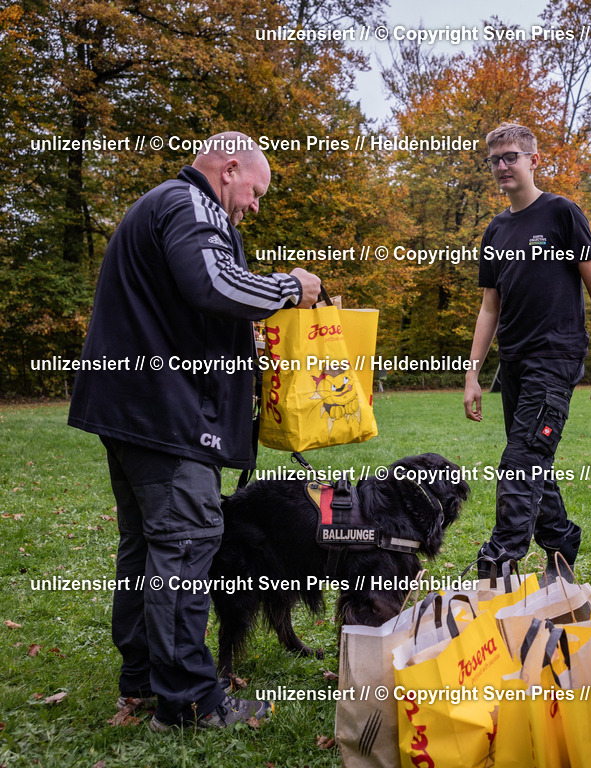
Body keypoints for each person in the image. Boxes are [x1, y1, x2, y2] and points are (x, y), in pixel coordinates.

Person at [68, 132, 321, 730]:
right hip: (166, 416)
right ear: (229, 168)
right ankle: (188, 701)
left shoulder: (160, 207)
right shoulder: (190, 205)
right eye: (254, 191)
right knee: (185, 545)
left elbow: (193, 304)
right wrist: (291, 287)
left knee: (146, 548)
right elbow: (212, 284)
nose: (254, 206)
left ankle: (143, 679)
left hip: (134, 411)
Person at [463, 122, 591, 580]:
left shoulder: (561, 214)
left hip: (555, 357)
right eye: (494, 159)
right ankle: (560, 543)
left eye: (511, 156)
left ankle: (500, 560)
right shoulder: (496, 230)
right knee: (532, 457)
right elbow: (489, 309)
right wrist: (472, 374)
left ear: (533, 160)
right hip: (512, 361)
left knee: (522, 459)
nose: (501, 166)